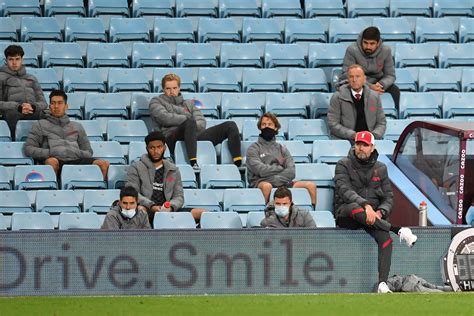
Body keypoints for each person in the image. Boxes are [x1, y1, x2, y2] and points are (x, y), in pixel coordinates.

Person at [334, 131, 418, 293]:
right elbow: (345, 191)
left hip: (374, 218)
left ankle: (382, 284)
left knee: (385, 239)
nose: (361, 148)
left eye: (365, 145)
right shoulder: (343, 164)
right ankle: (398, 229)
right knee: (353, 207)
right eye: (358, 144)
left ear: (372, 147)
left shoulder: (381, 168)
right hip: (348, 214)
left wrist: (380, 212)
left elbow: (389, 197)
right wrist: (366, 206)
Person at [149, 73, 242, 169]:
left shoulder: (188, 104)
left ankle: (238, 162)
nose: (172, 91)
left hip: (192, 136)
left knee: (230, 125)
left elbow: (201, 122)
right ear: (163, 89)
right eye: (168, 88)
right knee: (190, 122)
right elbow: (165, 118)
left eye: (174, 88)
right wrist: (187, 118)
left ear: (179, 88)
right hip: (170, 138)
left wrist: (191, 126)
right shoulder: (156, 101)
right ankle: (193, 163)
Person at [23, 89, 109, 179]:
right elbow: (29, 149)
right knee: (51, 162)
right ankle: (53, 191)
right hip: (56, 161)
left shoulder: (77, 126)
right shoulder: (40, 125)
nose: (56, 106)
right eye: (53, 103)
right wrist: (51, 152)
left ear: (66, 106)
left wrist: (75, 152)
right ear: (50, 106)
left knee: (103, 164)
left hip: (76, 160)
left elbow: (89, 152)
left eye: (60, 103)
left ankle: (100, 191)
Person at [125, 131, 205, 226]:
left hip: (168, 210)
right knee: (140, 211)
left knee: (204, 213)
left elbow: (179, 196)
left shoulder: (173, 170)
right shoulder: (136, 167)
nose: (156, 151)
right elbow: (132, 193)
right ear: (147, 149)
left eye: (159, 147)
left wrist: (170, 207)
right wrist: (151, 206)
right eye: (152, 148)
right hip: (147, 209)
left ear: (164, 147)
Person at [246, 112, 317, 206]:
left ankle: (312, 212)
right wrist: (280, 169)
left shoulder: (282, 149)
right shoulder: (253, 148)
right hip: (260, 182)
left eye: (270, 124)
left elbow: (291, 171)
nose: (266, 127)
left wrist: (277, 178)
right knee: (267, 186)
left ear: (275, 128)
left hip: (283, 183)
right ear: (260, 128)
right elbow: (260, 170)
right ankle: (266, 211)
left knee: (311, 186)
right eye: (264, 124)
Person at [339, 26, 400, 110]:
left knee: (395, 90)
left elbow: (390, 75)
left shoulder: (386, 51)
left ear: (378, 43)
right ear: (361, 41)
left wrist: (381, 84)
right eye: (365, 43)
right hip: (357, 81)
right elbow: (347, 74)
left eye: (372, 44)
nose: (368, 46)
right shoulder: (352, 50)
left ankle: (395, 113)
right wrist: (369, 86)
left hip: (378, 82)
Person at [328, 64, 387, 141]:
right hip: (346, 140)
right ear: (348, 79)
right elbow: (333, 124)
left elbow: (381, 122)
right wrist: (353, 135)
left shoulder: (374, 96)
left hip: (370, 141)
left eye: (358, 76)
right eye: (351, 77)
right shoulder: (337, 97)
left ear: (364, 79)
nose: (354, 80)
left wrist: (373, 136)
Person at [0, 44, 47, 139]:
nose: (14, 62)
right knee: (12, 114)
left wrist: (33, 107)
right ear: (6, 61)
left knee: (53, 116)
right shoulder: (1, 78)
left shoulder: (31, 78)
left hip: (32, 112)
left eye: (17, 59)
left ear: (22, 60)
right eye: (11, 59)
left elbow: (43, 103)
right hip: (12, 114)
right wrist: (18, 107)